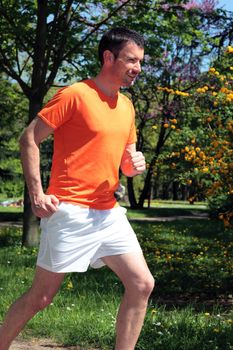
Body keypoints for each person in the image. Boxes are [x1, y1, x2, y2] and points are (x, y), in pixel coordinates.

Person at [0, 27, 154, 350]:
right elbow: (29, 138)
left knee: (141, 283)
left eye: (140, 61)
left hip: (109, 213)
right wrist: (37, 195)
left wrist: (133, 165)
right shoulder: (75, 95)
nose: (137, 68)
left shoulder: (127, 108)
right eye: (131, 60)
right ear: (108, 57)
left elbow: (124, 164)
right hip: (70, 212)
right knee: (40, 298)